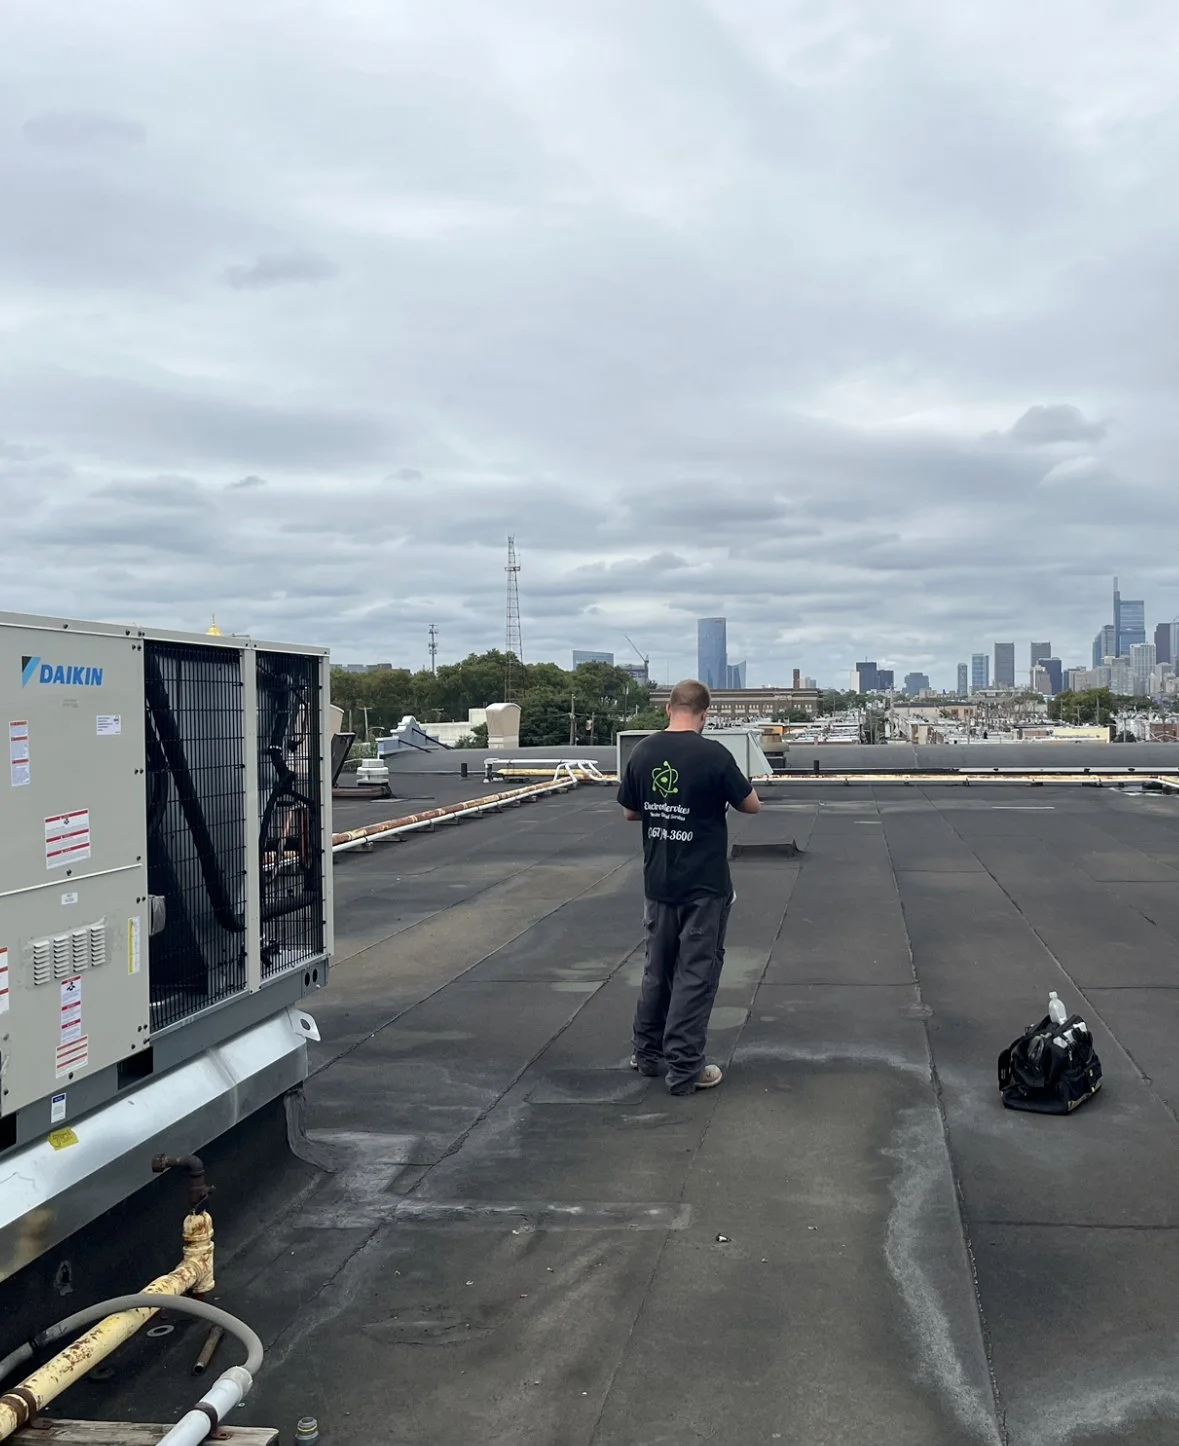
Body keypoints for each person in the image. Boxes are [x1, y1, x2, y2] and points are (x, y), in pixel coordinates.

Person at [617, 679, 760, 1094]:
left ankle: (647, 1054)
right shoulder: (713, 754)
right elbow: (751, 804)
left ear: (668, 709)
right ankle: (684, 1068)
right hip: (703, 884)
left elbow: (630, 812)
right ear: (705, 713)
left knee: (656, 970)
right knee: (695, 973)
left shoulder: (643, 751)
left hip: (659, 880)